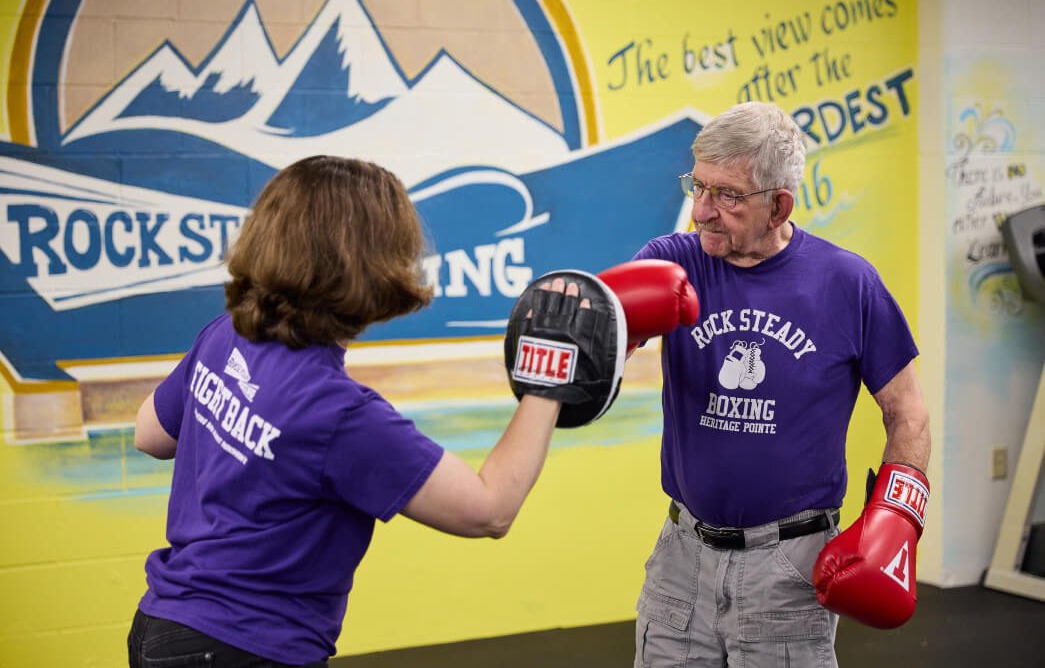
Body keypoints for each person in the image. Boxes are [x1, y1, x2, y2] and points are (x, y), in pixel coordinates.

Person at [127, 155, 615, 667]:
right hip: (242, 648)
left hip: (160, 627)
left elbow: (150, 435)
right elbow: (489, 512)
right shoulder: (338, 414)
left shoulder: (226, 334)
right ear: (376, 265)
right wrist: (547, 379)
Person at [629, 102, 931, 667]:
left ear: (779, 205)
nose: (700, 211)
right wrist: (589, 329)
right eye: (698, 186)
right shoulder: (674, 263)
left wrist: (895, 518)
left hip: (789, 566)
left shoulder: (846, 281)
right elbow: (608, 339)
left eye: (727, 196)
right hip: (681, 559)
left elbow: (907, 411)